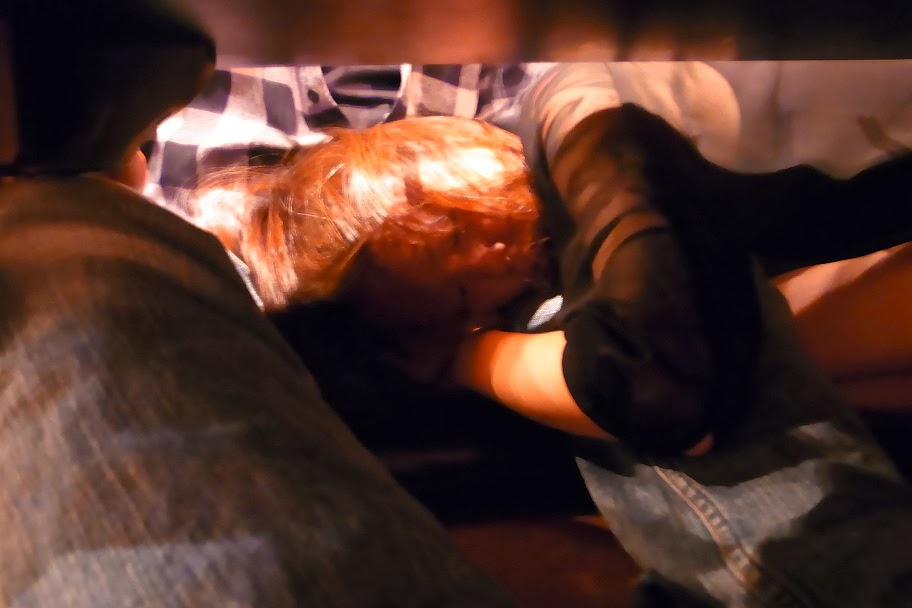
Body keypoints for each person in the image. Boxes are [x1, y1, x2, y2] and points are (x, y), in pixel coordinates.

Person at [163, 62, 912, 606]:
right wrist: (470, 351)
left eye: (452, 225)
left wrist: (467, 352)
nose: (491, 251)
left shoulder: (556, 113)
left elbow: (642, 380)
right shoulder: (525, 275)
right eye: (463, 287)